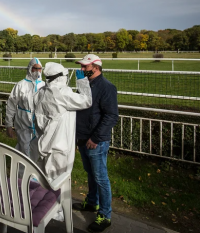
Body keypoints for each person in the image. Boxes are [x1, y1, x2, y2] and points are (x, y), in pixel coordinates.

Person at [73, 54, 119, 232]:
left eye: (85, 67)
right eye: (82, 67)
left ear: (96, 67)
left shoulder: (107, 87)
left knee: (100, 177)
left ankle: (105, 215)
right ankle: (92, 203)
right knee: (90, 173)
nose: (82, 70)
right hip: (83, 138)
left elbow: (111, 116)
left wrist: (95, 138)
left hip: (95, 141)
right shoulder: (85, 85)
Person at [33, 62, 92, 181]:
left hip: (44, 143)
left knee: (45, 177)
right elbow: (86, 101)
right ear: (61, 77)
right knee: (57, 182)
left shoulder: (40, 93)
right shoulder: (63, 93)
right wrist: (82, 82)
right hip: (60, 146)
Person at [5, 58, 45, 161]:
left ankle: (35, 175)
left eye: (40, 69)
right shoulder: (20, 85)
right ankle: (22, 175)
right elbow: (11, 104)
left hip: (39, 126)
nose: (37, 71)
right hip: (23, 124)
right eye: (35, 68)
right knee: (24, 150)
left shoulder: (44, 86)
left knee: (37, 151)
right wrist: (9, 124)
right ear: (30, 69)